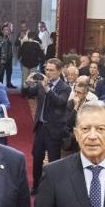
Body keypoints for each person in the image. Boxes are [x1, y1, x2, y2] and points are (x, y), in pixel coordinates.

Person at [22, 58, 71, 192]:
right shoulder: (41, 84)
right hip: (40, 128)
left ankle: (53, 189)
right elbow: (26, 94)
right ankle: (36, 186)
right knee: (37, 158)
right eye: (46, 70)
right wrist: (27, 83)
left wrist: (47, 89)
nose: (48, 73)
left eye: (51, 70)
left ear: (59, 71)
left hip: (55, 130)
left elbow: (60, 102)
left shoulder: (64, 87)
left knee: (54, 161)